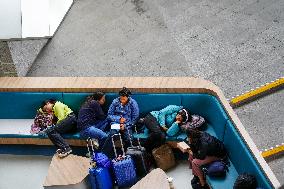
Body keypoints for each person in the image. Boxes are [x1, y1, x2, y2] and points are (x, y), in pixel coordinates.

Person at [77, 92, 113, 158]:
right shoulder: (94, 103)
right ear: (97, 99)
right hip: (85, 129)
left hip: (91, 124)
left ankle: (95, 138)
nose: (104, 101)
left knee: (107, 120)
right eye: (103, 99)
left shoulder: (90, 102)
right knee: (105, 136)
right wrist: (116, 119)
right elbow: (102, 116)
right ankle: (98, 155)